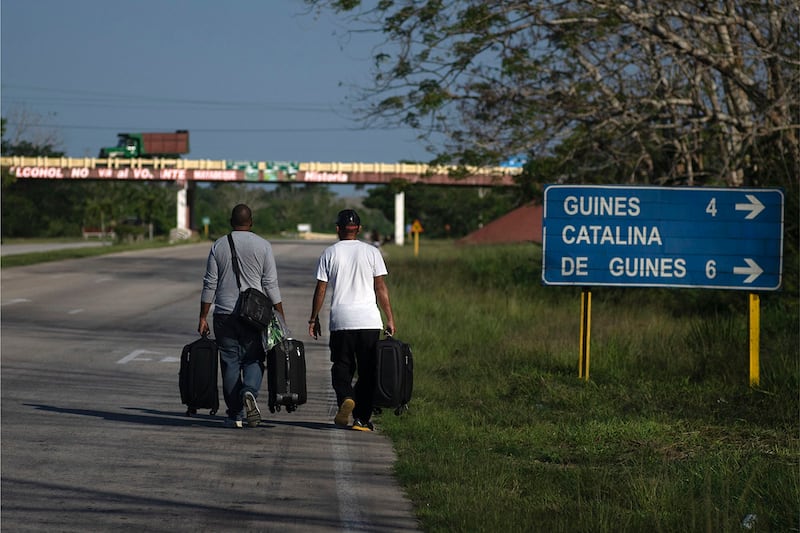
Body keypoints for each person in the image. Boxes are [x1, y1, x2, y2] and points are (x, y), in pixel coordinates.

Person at [308, 209, 395, 431]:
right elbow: (380, 288)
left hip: (341, 320)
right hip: (369, 320)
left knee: (342, 365)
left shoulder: (330, 253)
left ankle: (346, 397)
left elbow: (321, 289)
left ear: (338, 229)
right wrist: (390, 318)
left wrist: (313, 318)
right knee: (367, 371)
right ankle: (361, 419)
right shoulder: (372, 252)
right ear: (359, 229)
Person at [198, 204, 285, 429]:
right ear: (251, 222)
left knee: (230, 363)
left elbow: (210, 283)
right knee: (254, 359)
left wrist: (203, 316)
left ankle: (235, 415)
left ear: (231, 221)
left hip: (224, 314)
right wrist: (280, 313)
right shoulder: (263, 245)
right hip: (255, 316)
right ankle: (249, 392)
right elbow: (270, 284)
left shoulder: (219, 245)